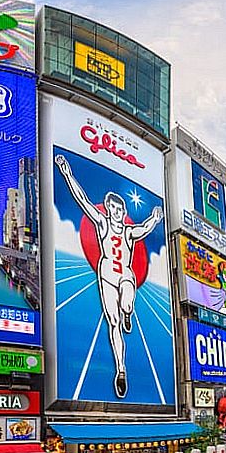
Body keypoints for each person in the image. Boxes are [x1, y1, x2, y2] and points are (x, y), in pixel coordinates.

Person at [55, 154, 165, 399]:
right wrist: (66, 173)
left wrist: (156, 218)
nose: (115, 212)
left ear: (123, 211)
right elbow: (82, 200)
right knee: (112, 323)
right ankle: (121, 370)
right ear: (109, 209)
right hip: (106, 275)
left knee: (127, 302)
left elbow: (145, 227)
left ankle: (129, 312)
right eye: (111, 208)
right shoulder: (102, 224)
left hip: (125, 274)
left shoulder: (128, 231)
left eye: (118, 209)